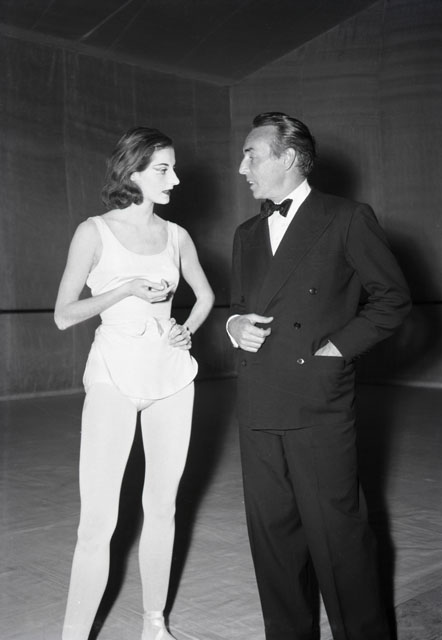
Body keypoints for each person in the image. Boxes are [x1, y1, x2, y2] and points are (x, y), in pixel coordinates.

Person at [227, 112, 411, 640]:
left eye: (251, 156)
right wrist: (234, 324)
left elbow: (393, 299)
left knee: (338, 539)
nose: (242, 168)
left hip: (317, 402)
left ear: (287, 158)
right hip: (258, 402)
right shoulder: (246, 233)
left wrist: (337, 349)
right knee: (273, 542)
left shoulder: (346, 217)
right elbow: (241, 305)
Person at [54, 126, 214, 640]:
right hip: (113, 377)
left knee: (162, 508)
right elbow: (64, 315)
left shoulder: (177, 235)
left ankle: (154, 625)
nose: (175, 178)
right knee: (98, 521)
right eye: (163, 169)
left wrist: (187, 330)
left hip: (171, 377)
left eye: (174, 168)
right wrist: (122, 290)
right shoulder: (93, 232)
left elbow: (206, 296)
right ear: (132, 172)